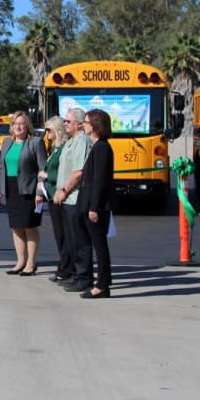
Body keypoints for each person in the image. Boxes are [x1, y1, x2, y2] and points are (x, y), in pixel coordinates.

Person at [0, 111, 46, 275]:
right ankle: (20, 261)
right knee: (16, 227)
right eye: (15, 124)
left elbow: (43, 169)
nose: (18, 127)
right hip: (11, 188)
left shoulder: (35, 142)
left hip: (29, 190)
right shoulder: (7, 142)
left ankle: (31, 263)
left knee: (29, 226)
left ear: (27, 126)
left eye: (22, 123)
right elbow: (0, 168)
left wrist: (40, 192)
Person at [75, 108, 116, 299]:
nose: (83, 125)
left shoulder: (102, 148)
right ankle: (103, 283)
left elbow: (100, 181)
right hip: (90, 203)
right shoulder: (97, 146)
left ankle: (101, 285)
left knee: (100, 247)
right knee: (97, 245)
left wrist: (93, 207)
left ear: (95, 125)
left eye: (86, 122)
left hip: (96, 206)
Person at [53, 106, 92, 292]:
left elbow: (78, 172)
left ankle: (84, 277)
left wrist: (64, 190)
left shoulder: (82, 141)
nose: (65, 124)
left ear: (79, 124)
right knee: (70, 240)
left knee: (80, 240)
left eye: (68, 121)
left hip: (74, 198)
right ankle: (75, 274)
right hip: (66, 199)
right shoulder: (70, 141)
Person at [37, 116, 70, 281]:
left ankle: (66, 269)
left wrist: (46, 175)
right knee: (59, 234)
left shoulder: (63, 148)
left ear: (57, 130)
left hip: (59, 195)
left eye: (48, 130)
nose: (46, 133)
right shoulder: (55, 148)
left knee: (63, 234)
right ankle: (64, 266)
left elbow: (65, 173)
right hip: (51, 195)